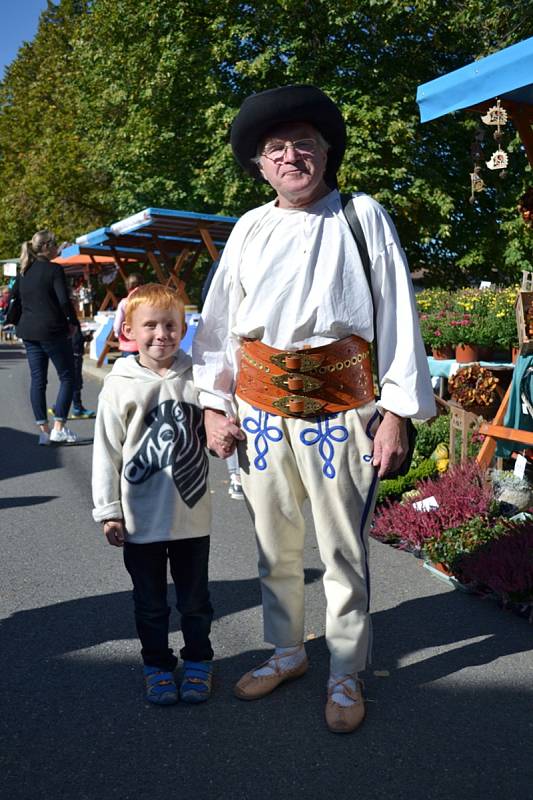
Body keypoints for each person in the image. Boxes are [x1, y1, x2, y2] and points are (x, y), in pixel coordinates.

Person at [193, 85, 436, 733]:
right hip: (261, 411)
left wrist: (396, 412)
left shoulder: (361, 216)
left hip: (341, 410)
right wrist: (214, 407)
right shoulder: (248, 227)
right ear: (259, 165)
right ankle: (287, 651)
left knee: (340, 551)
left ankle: (346, 671)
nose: (290, 156)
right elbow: (218, 328)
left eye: (303, 144)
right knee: (273, 545)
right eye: (275, 149)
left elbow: (397, 317)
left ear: (325, 153)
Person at [92, 283, 214, 706]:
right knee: (150, 604)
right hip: (140, 520)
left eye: (170, 325)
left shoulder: (199, 377)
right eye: (150, 326)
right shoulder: (119, 385)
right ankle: (157, 665)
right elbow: (106, 451)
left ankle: (198, 660)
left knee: (196, 601)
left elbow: (218, 427)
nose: (161, 334)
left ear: (184, 328)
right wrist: (109, 510)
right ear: (128, 330)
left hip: (191, 517)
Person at [12, 230, 79, 445]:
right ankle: (59, 427)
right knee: (68, 377)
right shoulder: (54, 269)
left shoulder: (24, 271)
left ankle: (44, 432)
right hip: (52, 330)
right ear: (47, 247)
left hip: (29, 332)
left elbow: (16, 301)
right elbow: (63, 301)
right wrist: (73, 323)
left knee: (38, 380)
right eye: (56, 244)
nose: (58, 248)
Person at [113, 272, 144, 356]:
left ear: (128, 286)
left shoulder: (124, 302)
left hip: (128, 344)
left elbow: (117, 325)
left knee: (129, 368)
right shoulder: (149, 301)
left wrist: (117, 334)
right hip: (145, 344)